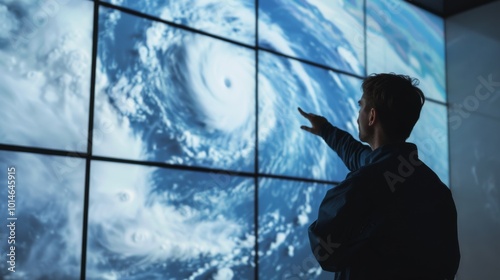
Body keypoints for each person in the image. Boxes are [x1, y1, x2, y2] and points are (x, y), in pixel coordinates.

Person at [298, 73, 460, 280]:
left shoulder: (363, 184)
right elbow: (362, 157)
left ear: (372, 116)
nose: (358, 115)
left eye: (361, 106)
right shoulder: (435, 188)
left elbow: (325, 253)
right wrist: (326, 130)